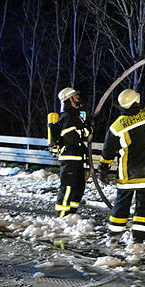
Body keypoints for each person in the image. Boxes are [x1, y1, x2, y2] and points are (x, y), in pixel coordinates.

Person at [98, 80, 145, 244]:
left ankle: (113, 237)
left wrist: (103, 168)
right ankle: (138, 240)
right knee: (144, 207)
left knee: (121, 206)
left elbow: (108, 150)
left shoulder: (116, 127)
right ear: (136, 101)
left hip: (127, 176)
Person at [47, 87, 90, 217]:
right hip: (70, 157)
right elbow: (72, 136)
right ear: (68, 99)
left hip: (76, 157)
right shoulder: (68, 116)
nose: (78, 98)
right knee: (68, 187)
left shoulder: (74, 115)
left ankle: (71, 215)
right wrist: (87, 131)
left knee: (78, 187)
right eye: (75, 96)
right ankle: (61, 216)